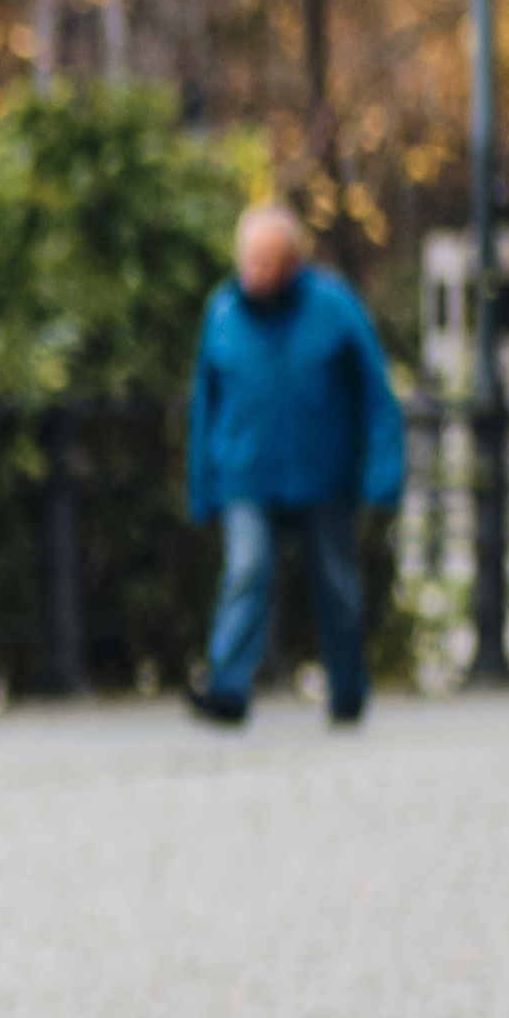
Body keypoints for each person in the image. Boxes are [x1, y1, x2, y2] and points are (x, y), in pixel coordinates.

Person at [185, 200, 406, 729]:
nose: (255, 274)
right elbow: (203, 404)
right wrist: (202, 485)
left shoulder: (334, 306)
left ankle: (347, 688)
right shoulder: (221, 311)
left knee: (336, 583)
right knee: (246, 571)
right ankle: (228, 687)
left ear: (293, 264)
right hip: (247, 472)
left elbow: (378, 394)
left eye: (268, 263)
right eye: (249, 261)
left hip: (323, 473)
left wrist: (383, 474)